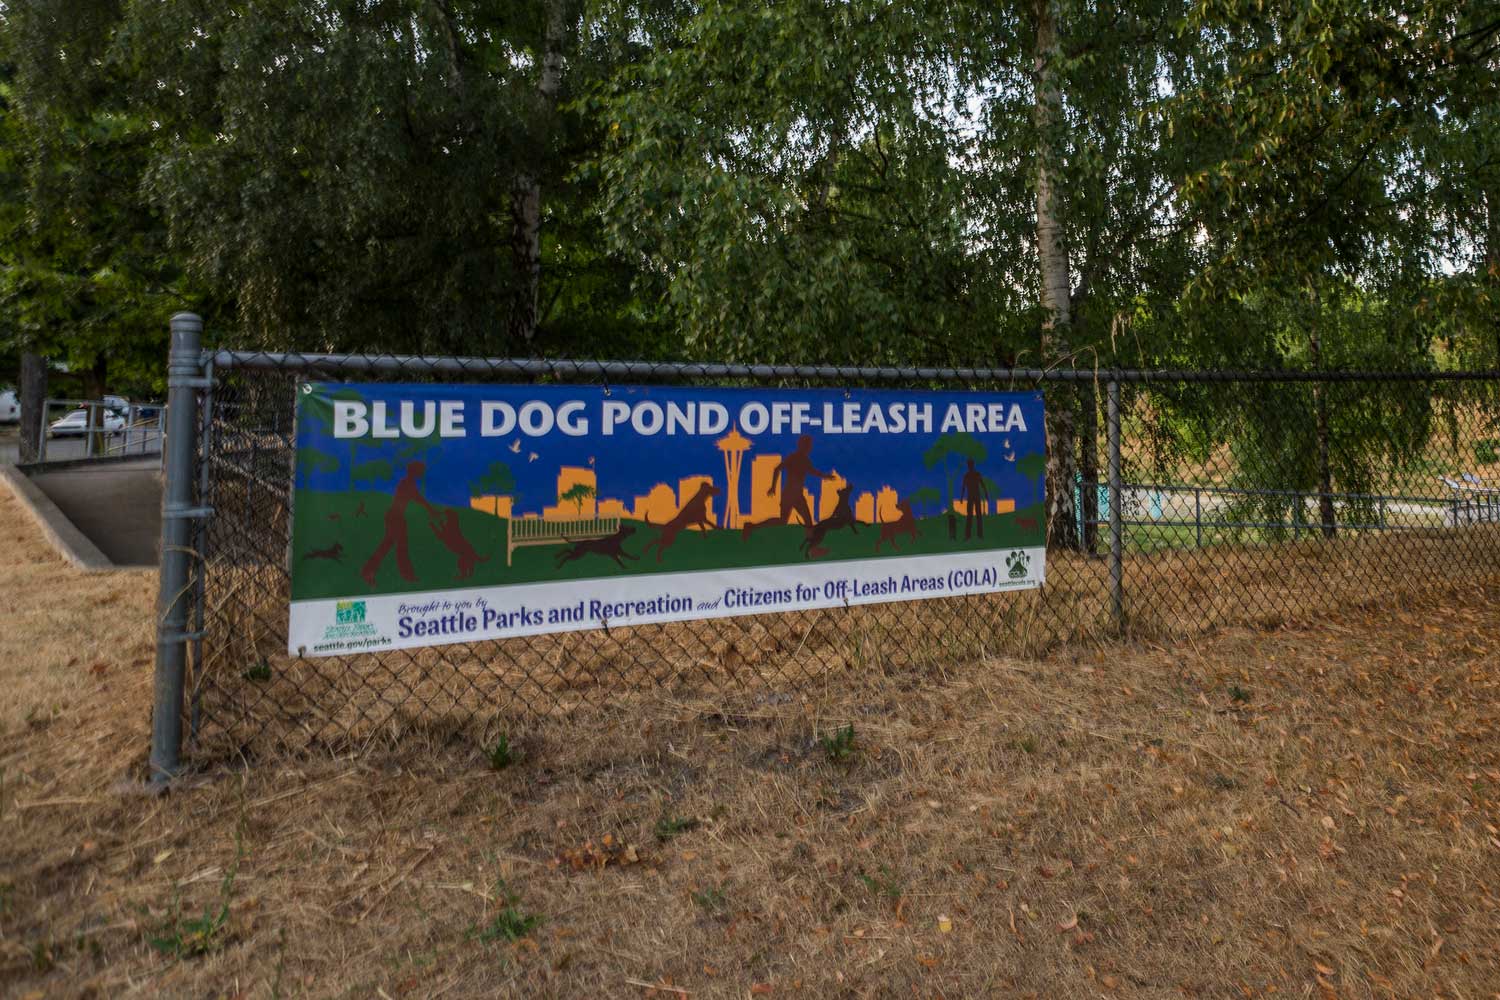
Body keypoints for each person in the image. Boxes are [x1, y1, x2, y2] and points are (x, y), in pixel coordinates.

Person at [361, 461, 436, 585]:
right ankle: (404, 575)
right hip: (395, 518)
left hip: (396, 517)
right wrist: (431, 510)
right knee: (398, 547)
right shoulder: (407, 483)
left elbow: (417, 498)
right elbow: (418, 498)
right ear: (415, 471)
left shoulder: (408, 482)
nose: (423, 472)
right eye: (421, 469)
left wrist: (431, 510)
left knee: (391, 545)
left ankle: (369, 571)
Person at [741, 435, 828, 540]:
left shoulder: (803, 459)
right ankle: (751, 527)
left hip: (794, 495)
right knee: (799, 521)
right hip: (791, 495)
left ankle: (751, 527)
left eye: (810, 445)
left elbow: (812, 471)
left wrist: (825, 476)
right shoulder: (795, 458)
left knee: (791, 521)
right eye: (808, 445)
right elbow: (777, 469)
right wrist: (773, 487)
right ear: (803, 446)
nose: (810, 448)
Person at [959, 458, 989, 540]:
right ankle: (969, 536)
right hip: (971, 497)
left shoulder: (976, 474)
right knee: (970, 516)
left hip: (976, 497)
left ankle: (979, 535)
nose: (970, 466)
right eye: (969, 465)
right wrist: (961, 497)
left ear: (972, 465)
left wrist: (986, 494)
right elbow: (963, 487)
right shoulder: (967, 475)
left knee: (977, 516)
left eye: (970, 465)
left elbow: (982, 484)